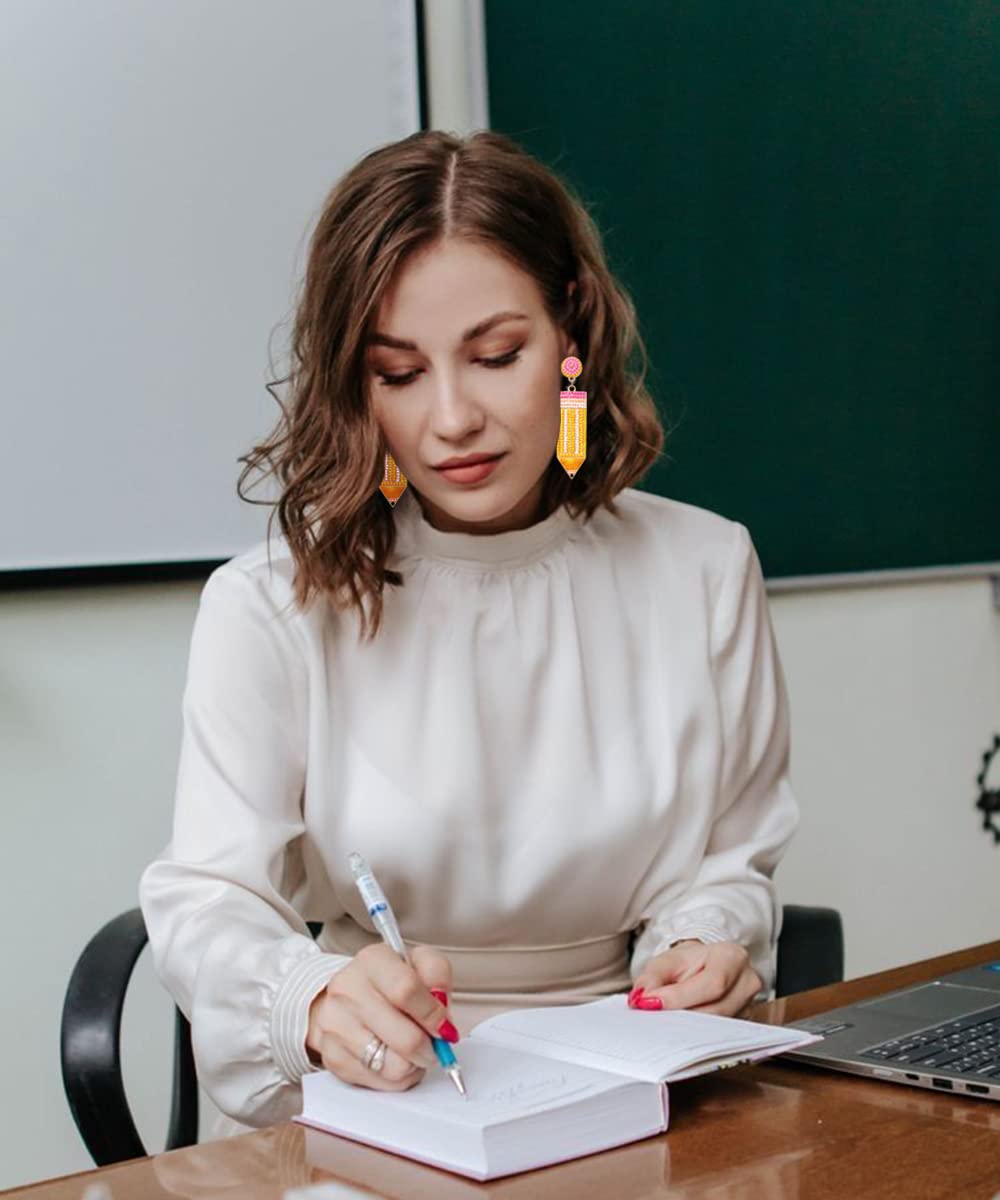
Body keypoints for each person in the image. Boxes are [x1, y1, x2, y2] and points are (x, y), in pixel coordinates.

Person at [139, 129, 799, 1138]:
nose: (451, 418)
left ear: (571, 340)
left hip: (634, 1084)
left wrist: (705, 943)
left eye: (496, 356)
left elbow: (728, 860)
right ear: (358, 389)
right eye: (398, 373)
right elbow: (210, 895)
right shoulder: (269, 603)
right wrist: (310, 999)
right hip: (380, 1091)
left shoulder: (703, 569)